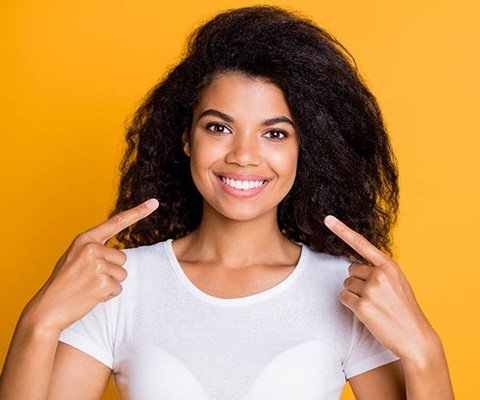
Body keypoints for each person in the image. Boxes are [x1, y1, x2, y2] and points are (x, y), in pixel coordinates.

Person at [0, 5, 454, 400]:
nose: (243, 156)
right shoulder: (117, 285)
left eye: (275, 133)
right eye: (218, 127)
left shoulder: (347, 292)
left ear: (305, 149)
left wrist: (424, 350)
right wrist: (38, 320)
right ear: (185, 139)